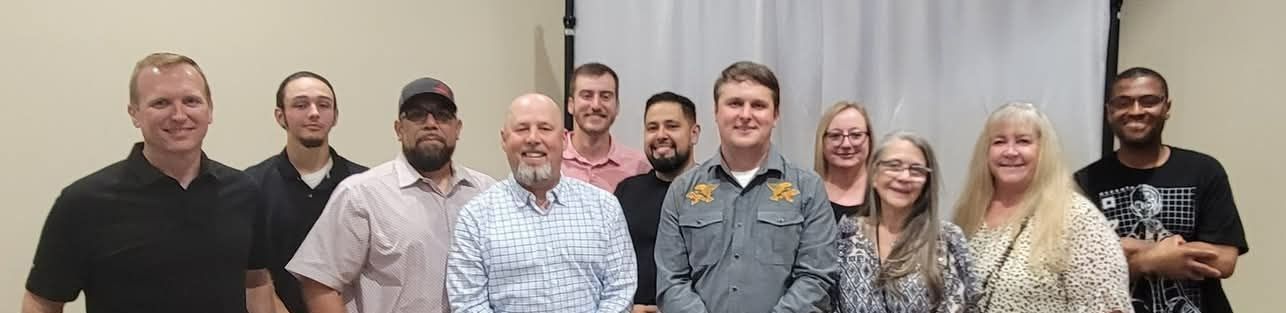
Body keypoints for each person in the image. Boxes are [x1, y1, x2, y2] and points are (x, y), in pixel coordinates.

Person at [22, 52, 273, 313]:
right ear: (135, 114)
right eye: (161, 103)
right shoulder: (83, 203)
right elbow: (42, 301)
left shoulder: (244, 192)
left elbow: (256, 280)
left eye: (191, 101)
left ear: (210, 110)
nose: (178, 115)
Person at [287, 77, 495, 313]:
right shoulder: (361, 194)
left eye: (443, 115)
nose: (431, 123)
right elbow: (319, 282)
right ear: (399, 129)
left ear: (457, 129)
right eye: (417, 115)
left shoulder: (486, 193)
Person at [655, 61, 838, 312]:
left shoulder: (807, 188)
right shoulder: (682, 191)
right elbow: (671, 281)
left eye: (759, 105)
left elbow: (816, 278)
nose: (745, 115)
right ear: (716, 112)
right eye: (735, 104)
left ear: (775, 115)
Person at [1075, 67, 1248, 313]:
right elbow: (1082, 272)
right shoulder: (1085, 182)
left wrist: (1125, 249)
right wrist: (1153, 258)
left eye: (1148, 101)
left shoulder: (1203, 170)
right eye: (1123, 102)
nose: (1135, 111)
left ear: (1166, 107)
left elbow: (1224, 261)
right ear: (1109, 111)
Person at [446, 93, 636, 312]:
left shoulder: (604, 208)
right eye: (522, 129)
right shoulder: (475, 218)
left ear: (564, 140)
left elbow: (620, 292)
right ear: (504, 139)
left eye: (545, 128)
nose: (533, 138)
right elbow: (468, 304)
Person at [952, 103, 1131, 312]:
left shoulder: (1077, 217)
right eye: (999, 141)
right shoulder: (968, 214)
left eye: (1023, 141)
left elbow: (1109, 308)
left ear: (1044, 151)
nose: (1010, 151)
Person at [244, 71, 368, 313]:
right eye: (301, 105)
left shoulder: (364, 186)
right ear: (280, 116)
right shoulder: (250, 186)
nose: (314, 113)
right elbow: (252, 275)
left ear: (335, 116)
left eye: (324, 105)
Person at [834, 131, 978, 312]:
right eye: (894, 166)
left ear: (926, 182)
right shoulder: (848, 234)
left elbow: (964, 306)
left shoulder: (948, 239)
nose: (904, 177)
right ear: (873, 175)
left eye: (916, 170)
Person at [614, 91, 701, 313]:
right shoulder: (627, 191)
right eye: (652, 128)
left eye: (671, 126)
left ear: (694, 134)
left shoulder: (715, 190)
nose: (660, 135)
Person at [562, 62, 651, 191]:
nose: (596, 105)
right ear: (571, 105)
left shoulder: (639, 167)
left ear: (617, 106)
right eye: (587, 96)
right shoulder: (551, 161)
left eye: (605, 96)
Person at [814, 101, 875, 222]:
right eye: (835, 136)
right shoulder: (807, 193)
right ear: (822, 141)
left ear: (869, 139)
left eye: (856, 135)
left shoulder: (884, 193)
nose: (846, 144)